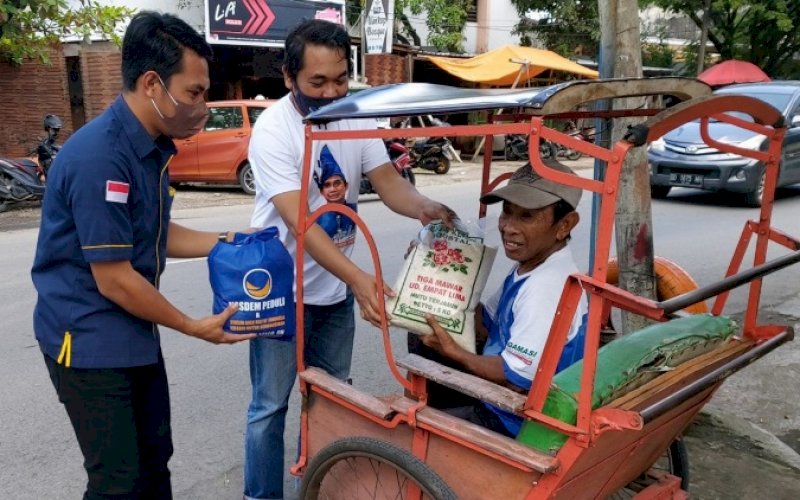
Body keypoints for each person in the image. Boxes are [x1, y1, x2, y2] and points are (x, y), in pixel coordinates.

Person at [30, 11, 255, 499]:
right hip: (87, 340)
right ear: (153, 84)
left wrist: (233, 239)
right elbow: (114, 278)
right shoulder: (101, 156)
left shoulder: (150, 147)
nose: (202, 105)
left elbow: (154, 233)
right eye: (194, 93)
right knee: (118, 481)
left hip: (133, 332)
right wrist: (192, 325)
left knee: (155, 463)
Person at [246, 19, 454, 500]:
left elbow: (388, 181)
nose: (331, 91)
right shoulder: (273, 130)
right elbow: (302, 221)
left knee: (332, 402)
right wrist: (361, 279)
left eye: (340, 79)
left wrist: (424, 207)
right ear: (288, 76)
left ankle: (312, 490)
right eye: (317, 82)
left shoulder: (354, 115)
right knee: (270, 407)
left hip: (333, 292)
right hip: (282, 294)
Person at [418, 161, 588, 438]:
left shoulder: (546, 287)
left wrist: (456, 352)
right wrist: (438, 272)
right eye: (507, 213)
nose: (508, 227)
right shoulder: (534, 265)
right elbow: (485, 323)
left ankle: (435, 430)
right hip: (508, 395)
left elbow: (513, 375)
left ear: (565, 224)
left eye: (527, 217)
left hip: (512, 421)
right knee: (423, 337)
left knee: (411, 427)